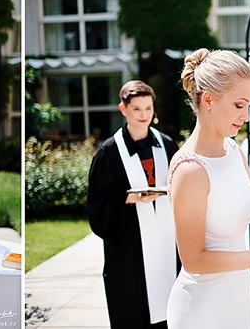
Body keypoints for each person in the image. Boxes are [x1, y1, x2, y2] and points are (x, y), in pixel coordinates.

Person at [164, 49, 250, 329]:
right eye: (240, 105)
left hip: (236, 301)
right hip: (200, 310)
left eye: (249, 105)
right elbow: (193, 260)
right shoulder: (190, 171)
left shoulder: (233, 151)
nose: (247, 116)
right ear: (208, 100)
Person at [86, 80, 180, 328]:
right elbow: (97, 204)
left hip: (167, 245)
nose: (143, 115)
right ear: (123, 109)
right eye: (136, 109)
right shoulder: (108, 153)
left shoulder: (167, 146)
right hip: (130, 251)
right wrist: (130, 197)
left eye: (148, 108)